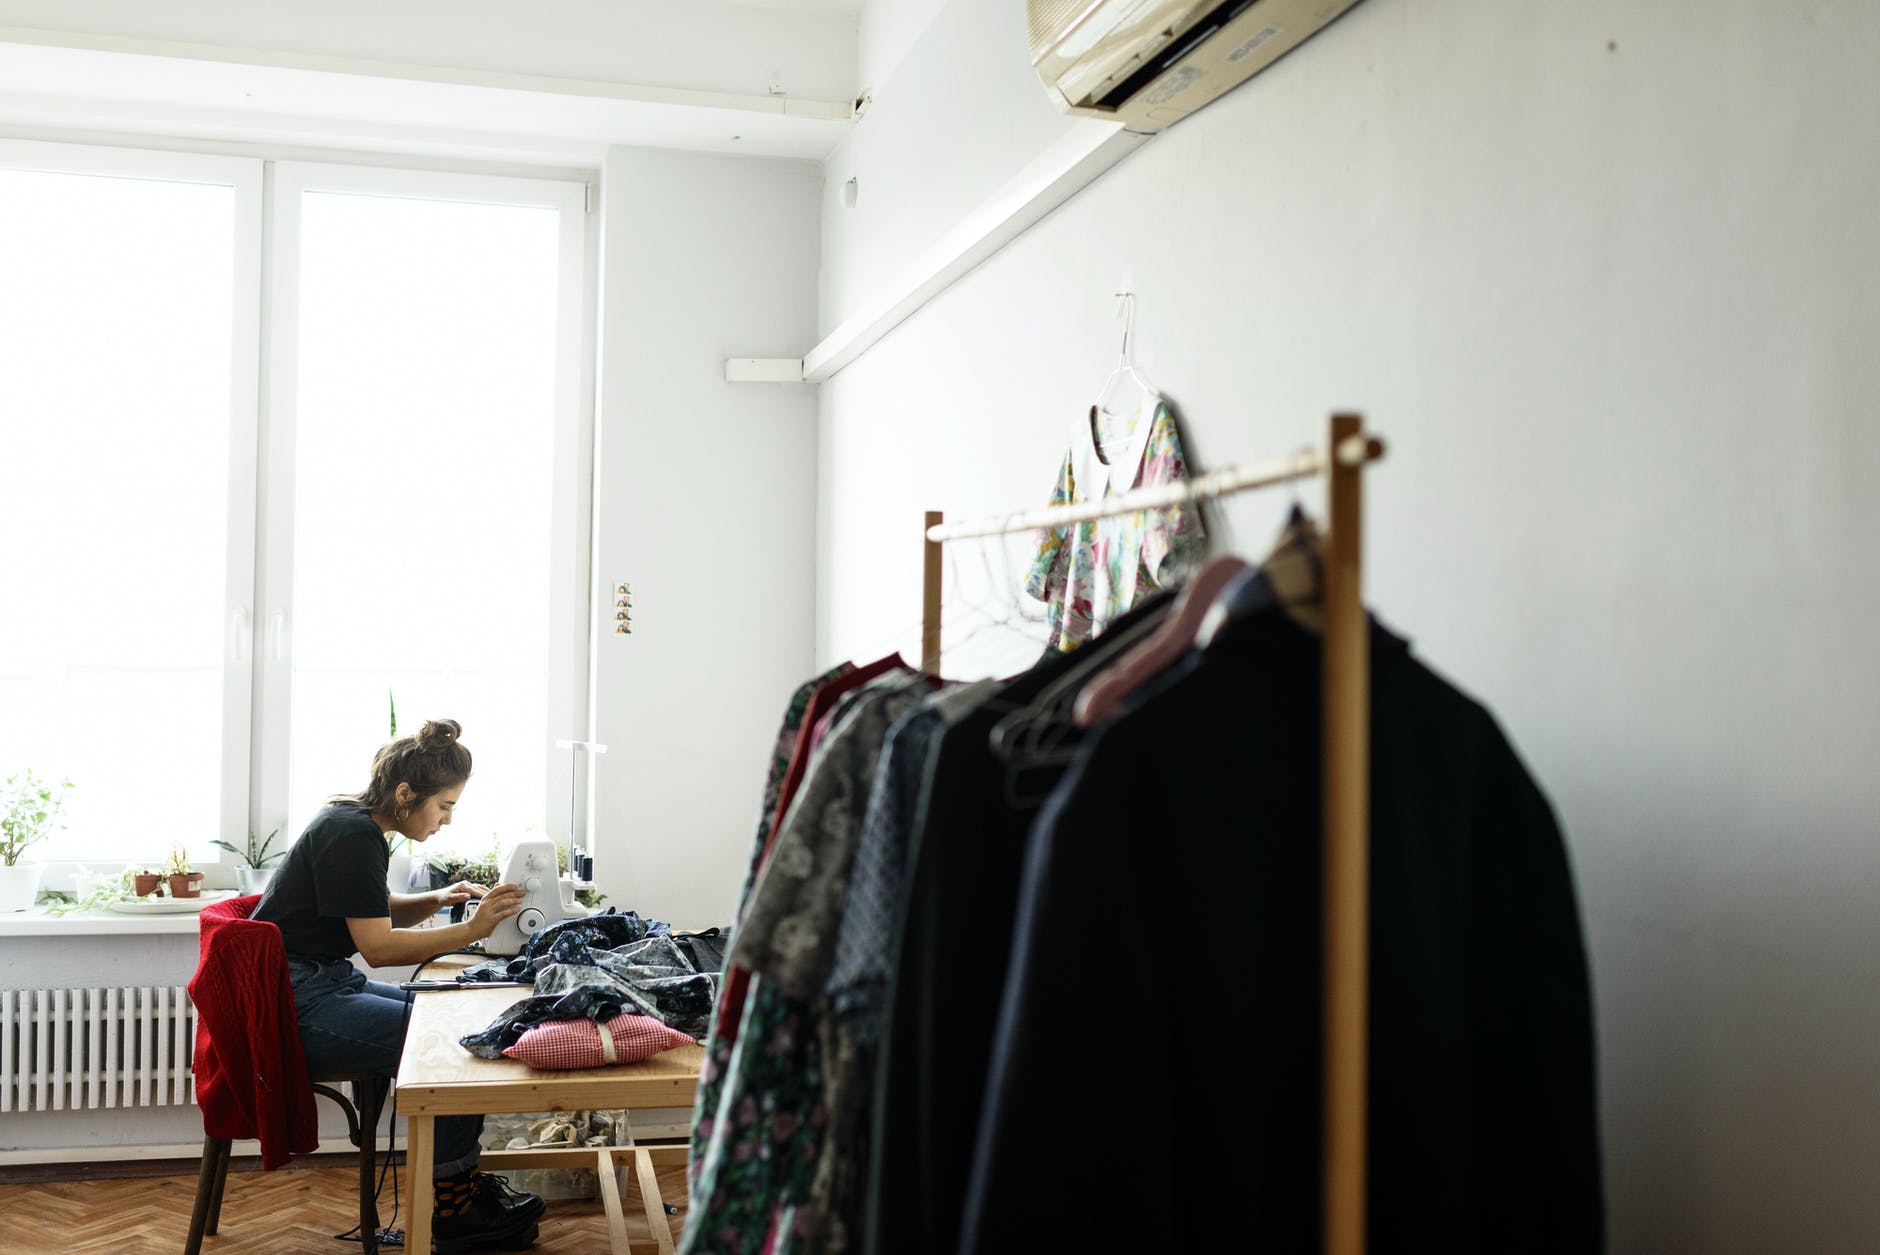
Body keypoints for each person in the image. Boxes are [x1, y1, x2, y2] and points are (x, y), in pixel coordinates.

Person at [254, 718, 544, 1253]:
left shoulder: (350, 821)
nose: (447, 820)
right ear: (406, 794)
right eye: (444, 806)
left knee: (458, 1020)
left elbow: (369, 912)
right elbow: (379, 948)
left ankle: (458, 1191)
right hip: (298, 1000)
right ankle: (455, 1209)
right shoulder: (353, 834)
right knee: (457, 1048)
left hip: (320, 982)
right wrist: (476, 928)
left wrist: (440, 899)